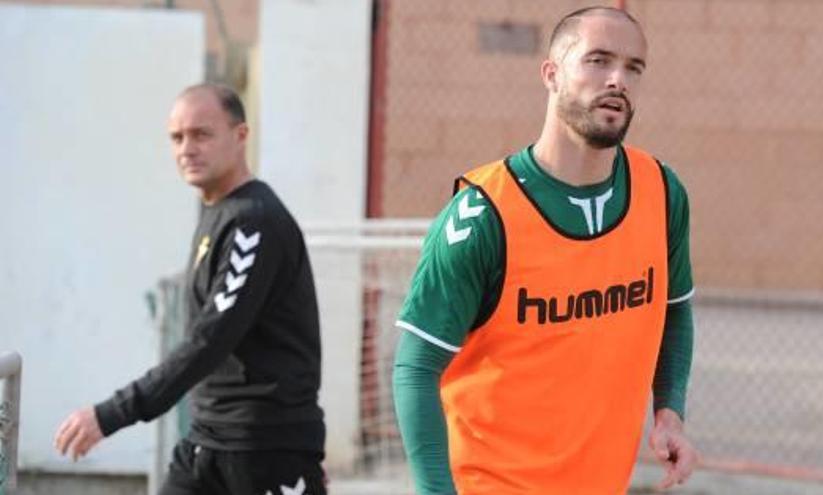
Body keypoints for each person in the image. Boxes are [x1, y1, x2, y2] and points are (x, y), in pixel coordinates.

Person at [392, 6, 698, 495]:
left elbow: (674, 311)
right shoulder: (484, 215)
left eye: (633, 67)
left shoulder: (661, 192)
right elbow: (414, 368)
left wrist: (669, 410)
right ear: (551, 74)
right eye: (598, 60)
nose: (618, 79)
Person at [54, 84, 326, 495]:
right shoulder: (220, 214)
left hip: (264, 449)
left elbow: (209, 340)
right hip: (208, 443)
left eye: (202, 134)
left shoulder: (255, 222)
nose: (187, 148)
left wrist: (112, 414)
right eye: (177, 138)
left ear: (240, 136)